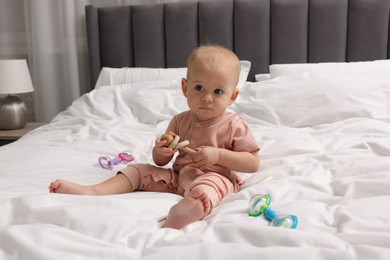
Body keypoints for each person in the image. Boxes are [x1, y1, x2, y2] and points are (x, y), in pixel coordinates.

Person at [49, 45, 261, 229]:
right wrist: (161, 150)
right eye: (199, 88)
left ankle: (184, 213)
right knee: (139, 170)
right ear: (185, 88)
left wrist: (218, 155)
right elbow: (161, 162)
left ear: (232, 96)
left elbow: (252, 163)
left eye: (217, 91)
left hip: (217, 176)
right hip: (178, 178)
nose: (206, 97)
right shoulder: (179, 121)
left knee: (208, 187)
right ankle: (93, 191)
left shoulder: (234, 125)